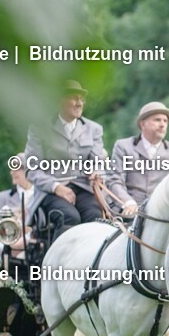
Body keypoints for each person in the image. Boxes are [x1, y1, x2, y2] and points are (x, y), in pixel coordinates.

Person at [23, 80, 122, 235]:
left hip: (84, 190)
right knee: (69, 217)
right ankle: (57, 260)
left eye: (81, 99)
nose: (79, 103)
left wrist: (96, 173)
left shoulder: (94, 129)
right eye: (74, 98)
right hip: (51, 192)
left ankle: (92, 260)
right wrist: (57, 187)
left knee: (96, 218)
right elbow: (31, 170)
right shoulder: (39, 129)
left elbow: (97, 162)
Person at [110, 101, 169, 217]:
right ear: (142, 124)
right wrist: (128, 202)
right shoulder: (123, 146)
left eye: (165, 121)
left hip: (162, 213)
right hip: (128, 209)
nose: (162, 124)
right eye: (157, 120)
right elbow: (114, 181)